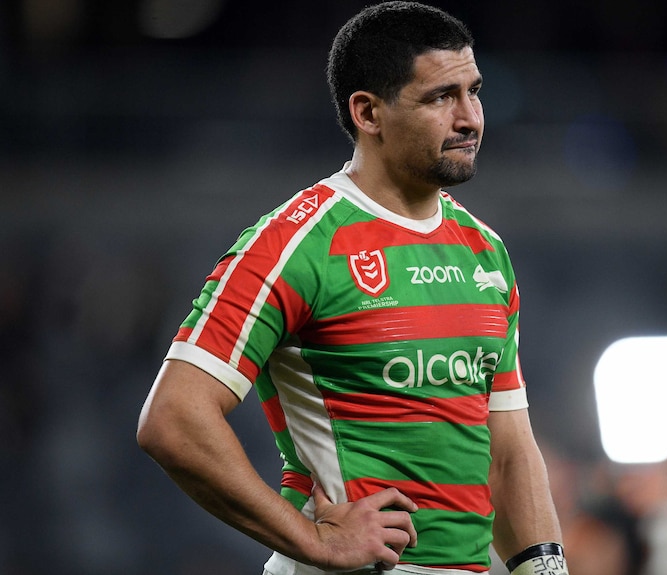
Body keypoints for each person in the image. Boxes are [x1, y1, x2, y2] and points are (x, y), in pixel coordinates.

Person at [136, 3, 566, 575]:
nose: (471, 118)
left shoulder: (484, 249)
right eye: (441, 97)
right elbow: (172, 418)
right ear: (367, 112)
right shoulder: (295, 244)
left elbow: (509, 448)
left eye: (474, 91)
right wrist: (315, 542)